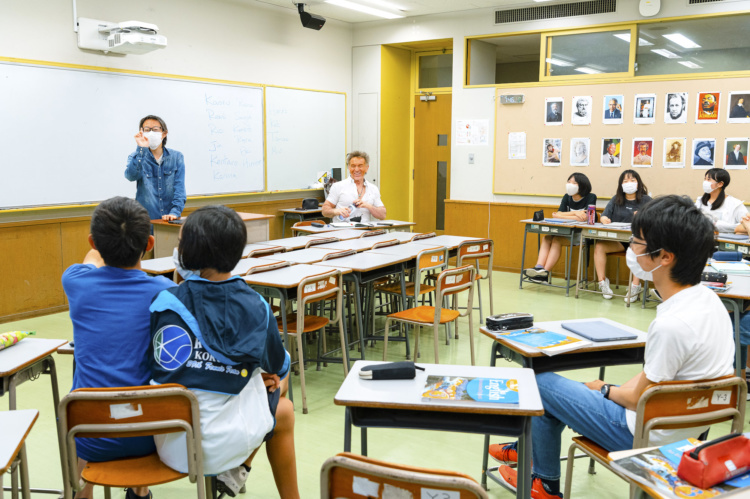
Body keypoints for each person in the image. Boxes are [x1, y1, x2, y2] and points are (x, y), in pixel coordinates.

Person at [489, 195, 734, 499]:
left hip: (642, 434)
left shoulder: (672, 324)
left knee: (541, 383)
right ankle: (532, 456)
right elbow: (656, 380)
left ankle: (545, 483)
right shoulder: (710, 302)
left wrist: (605, 389)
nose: (631, 247)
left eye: (638, 242)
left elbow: (639, 399)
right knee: (565, 394)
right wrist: (609, 389)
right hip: (686, 431)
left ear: (665, 257)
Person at [149, 205, 299, 499]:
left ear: (190, 253)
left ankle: (235, 472)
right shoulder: (257, 306)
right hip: (228, 444)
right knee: (282, 394)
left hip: (169, 443)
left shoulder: (163, 301)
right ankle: (243, 473)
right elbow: (279, 368)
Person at [61, 196, 176, 499]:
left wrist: (98, 252)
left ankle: (79, 491)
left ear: (93, 241)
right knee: (144, 384)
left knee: (85, 400)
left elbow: (89, 262)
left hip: (88, 434)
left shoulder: (75, 282)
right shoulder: (166, 292)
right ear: (149, 243)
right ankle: (139, 491)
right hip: (151, 436)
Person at [523, 173, 596, 283]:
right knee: (547, 238)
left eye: (574, 183)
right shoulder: (567, 197)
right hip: (565, 232)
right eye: (569, 182)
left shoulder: (591, 197)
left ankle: (544, 274)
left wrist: (565, 215)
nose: (570, 185)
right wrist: (576, 213)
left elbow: (585, 218)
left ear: (582, 185)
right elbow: (556, 215)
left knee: (556, 240)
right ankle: (539, 268)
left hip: (581, 234)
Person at [597, 170, 652, 302]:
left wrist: (642, 217)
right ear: (621, 184)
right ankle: (602, 282)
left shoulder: (646, 200)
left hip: (638, 242)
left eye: (632, 180)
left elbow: (656, 219)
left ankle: (635, 286)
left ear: (638, 183)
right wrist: (604, 219)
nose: (629, 183)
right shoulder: (616, 200)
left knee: (638, 246)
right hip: (618, 241)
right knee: (599, 246)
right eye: (625, 181)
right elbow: (604, 215)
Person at [125, 115, 186, 222]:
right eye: (147, 130)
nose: (151, 133)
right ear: (142, 132)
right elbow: (131, 176)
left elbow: (179, 189)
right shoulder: (136, 156)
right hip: (144, 221)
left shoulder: (177, 157)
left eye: (155, 129)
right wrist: (141, 148)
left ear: (164, 133)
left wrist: (175, 212)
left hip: (170, 219)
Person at [322, 151, 386, 222]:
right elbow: (324, 211)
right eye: (353, 166)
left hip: (365, 231)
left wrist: (369, 206)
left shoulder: (373, 188)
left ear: (367, 168)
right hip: (342, 231)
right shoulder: (338, 186)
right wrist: (336, 211)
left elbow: (383, 215)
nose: (356, 169)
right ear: (349, 167)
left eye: (360, 166)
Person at [696, 168, 747, 233]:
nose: (705, 182)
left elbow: (746, 225)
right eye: (705, 179)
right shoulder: (699, 201)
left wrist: (722, 226)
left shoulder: (735, 203)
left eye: (708, 179)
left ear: (720, 184)